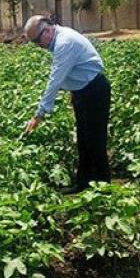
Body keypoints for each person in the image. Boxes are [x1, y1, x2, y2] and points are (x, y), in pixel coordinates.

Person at [23, 15, 112, 194]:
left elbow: (55, 80)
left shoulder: (65, 43)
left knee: (95, 140)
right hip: (83, 91)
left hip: (94, 91)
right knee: (83, 139)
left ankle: (103, 188)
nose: (38, 46)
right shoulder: (59, 38)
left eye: (37, 41)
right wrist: (74, 92)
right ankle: (84, 183)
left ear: (47, 30)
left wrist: (39, 114)